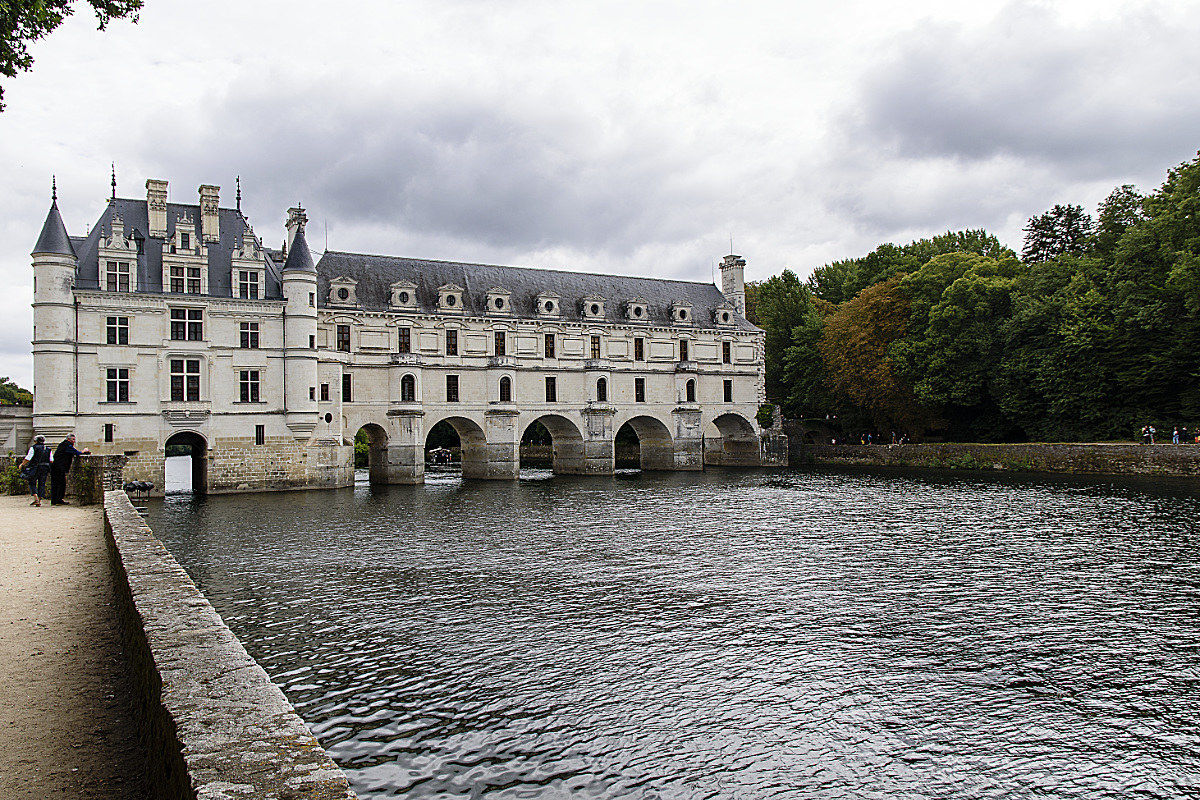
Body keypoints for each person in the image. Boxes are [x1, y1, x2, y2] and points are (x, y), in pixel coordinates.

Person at [50, 433, 90, 506]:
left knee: (56, 483)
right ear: (68, 439)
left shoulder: (64, 444)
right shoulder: (67, 445)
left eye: (74, 439)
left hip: (56, 467)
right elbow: (77, 453)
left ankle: (55, 500)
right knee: (60, 483)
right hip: (59, 467)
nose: (74, 441)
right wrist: (84, 451)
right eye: (73, 439)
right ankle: (58, 500)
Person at [19, 435, 52, 507]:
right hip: (45, 468)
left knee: (32, 482)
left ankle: (36, 497)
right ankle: (39, 500)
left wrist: (22, 464)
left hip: (35, 467)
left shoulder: (34, 448)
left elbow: (28, 458)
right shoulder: (48, 449)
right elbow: (51, 460)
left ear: (35, 441)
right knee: (42, 483)